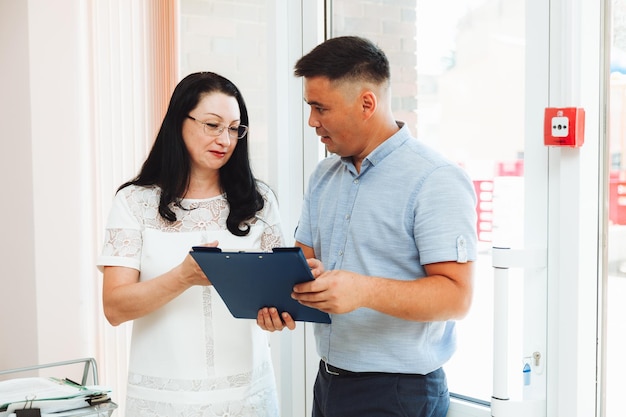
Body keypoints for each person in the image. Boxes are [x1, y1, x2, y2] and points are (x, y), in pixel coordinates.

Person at [257, 36, 478, 417]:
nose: (312, 121)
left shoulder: (435, 179)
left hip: (398, 394)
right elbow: (301, 263)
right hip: (328, 382)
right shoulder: (324, 175)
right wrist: (277, 300)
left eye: (320, 108)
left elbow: (456, 297)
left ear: (366, 104)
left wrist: (363, 290)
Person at [97, 72, 284, 416]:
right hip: (165, 401)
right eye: (212, 125)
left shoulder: (259, 202)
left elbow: (277, 294)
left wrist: (278, 312)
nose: (225, 140)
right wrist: (183, 276)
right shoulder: (134, 203)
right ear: (178, 122)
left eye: (234, 128)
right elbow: (115, 308)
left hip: (246, 397)